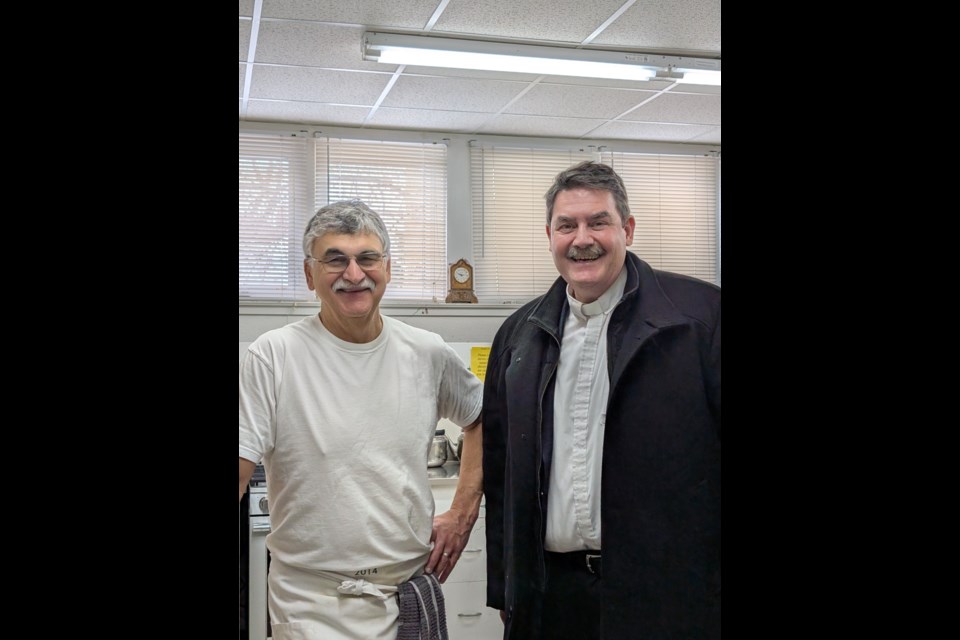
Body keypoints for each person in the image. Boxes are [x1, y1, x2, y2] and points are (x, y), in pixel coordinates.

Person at [482, 161, 720, 639]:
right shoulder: (518, 337)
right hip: (552, 598)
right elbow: (502, 471)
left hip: (668, 596)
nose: (581, 238)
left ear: (627, 230)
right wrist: (507, 590)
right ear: (549, 234)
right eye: (566, 225)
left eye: (598, 222)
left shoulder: (700, 321)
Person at [239, 199, 484, 640]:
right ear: (310, 274)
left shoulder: (426, 351)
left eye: (367, 258)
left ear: (386, 268)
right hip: (312, 602)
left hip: (408, 593)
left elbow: (483, 417)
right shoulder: (273, 355)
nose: (354, 274)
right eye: (335, 260)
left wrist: (462, 511)